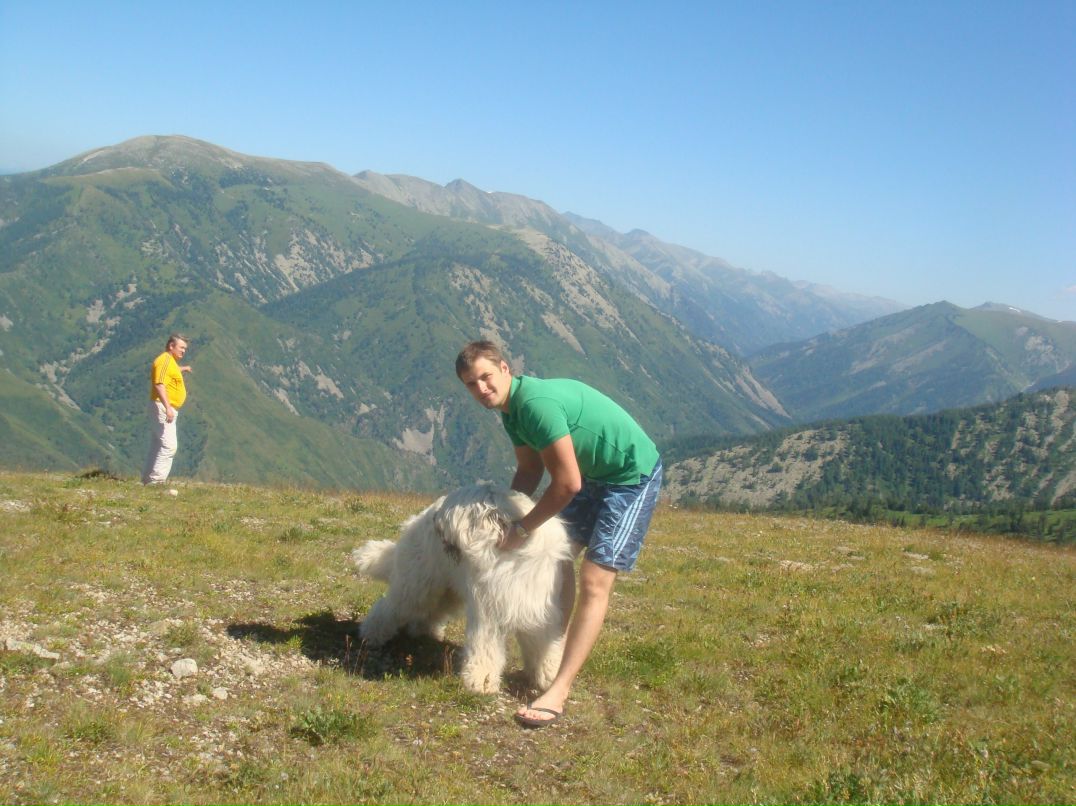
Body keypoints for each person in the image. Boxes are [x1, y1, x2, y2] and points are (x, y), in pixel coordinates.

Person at [455, 340, 662, 728]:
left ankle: (559, 690)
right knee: (557, 558)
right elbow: (530, 472)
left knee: (595, 580)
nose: (481, 388)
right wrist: (505, 510)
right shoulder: (510, 410)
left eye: (486, 376)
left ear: (504, 368)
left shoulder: (534, 406)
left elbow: (566, 484)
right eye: (471, 384)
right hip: (594, 476)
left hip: (630, 477)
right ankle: (554, 656)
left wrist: (521, 528)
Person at [141, 333, 192, 485]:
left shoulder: (170, 362)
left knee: (157, 444)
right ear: (171, 346)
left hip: (165, 407)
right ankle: (156, 481)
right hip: (163, 407)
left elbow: (171, 372)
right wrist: (168, 407)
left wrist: (183, 369)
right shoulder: (164, 361)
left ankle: (148, 479)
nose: (184, 351)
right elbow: (159, 383)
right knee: (169, 446)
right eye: (181, 347)